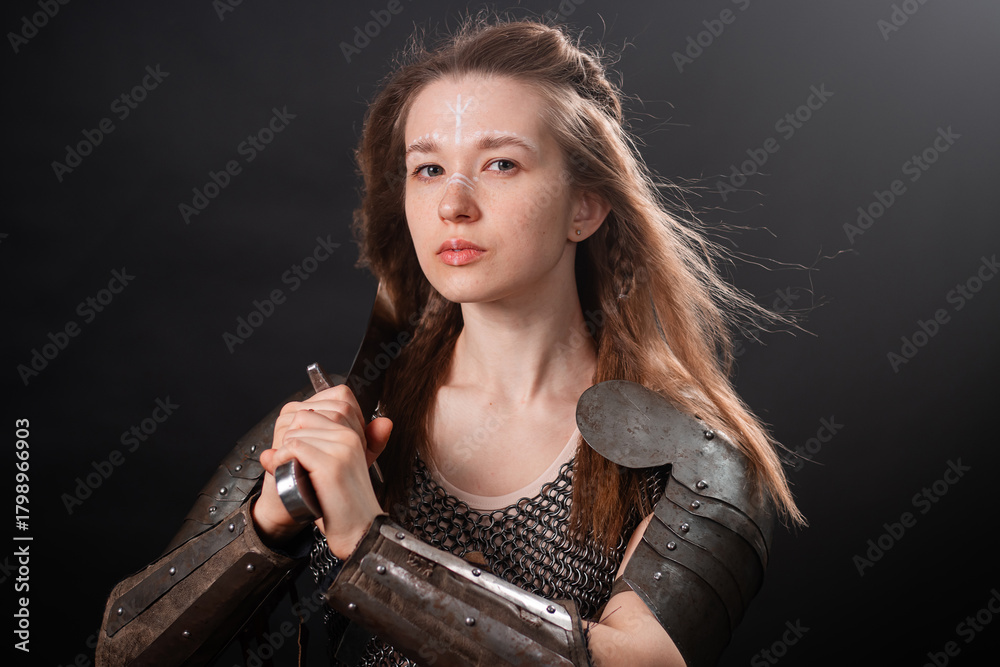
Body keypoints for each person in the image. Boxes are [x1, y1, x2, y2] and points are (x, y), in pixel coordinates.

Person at [97, 17, 804, 667]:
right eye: (428, 168)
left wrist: (372, 545)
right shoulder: (342, 423)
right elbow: (124, 651)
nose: (452, 204)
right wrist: (270, 518)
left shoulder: (696, 459)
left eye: (501, 164)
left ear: (585, 206)